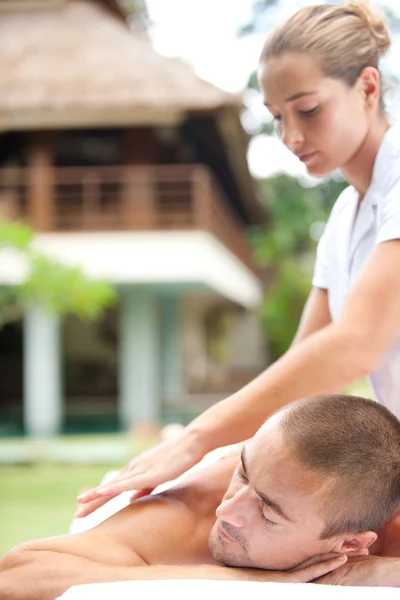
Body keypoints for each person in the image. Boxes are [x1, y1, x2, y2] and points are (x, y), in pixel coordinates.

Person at [76, 0, 400, 520]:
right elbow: (308, 371)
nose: (292, 137)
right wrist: (206, 450)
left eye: (309, 110)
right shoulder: (344, 217)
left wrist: (198, 440)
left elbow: (354, 345)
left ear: (367, 88)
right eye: (277, 118)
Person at [1, 395, 400, 599]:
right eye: (241, 476)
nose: (227, 510)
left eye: (268, 513)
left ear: (350, 543)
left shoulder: (375, 522)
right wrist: (234, 578)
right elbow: (14, 577)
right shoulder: (194, 508)